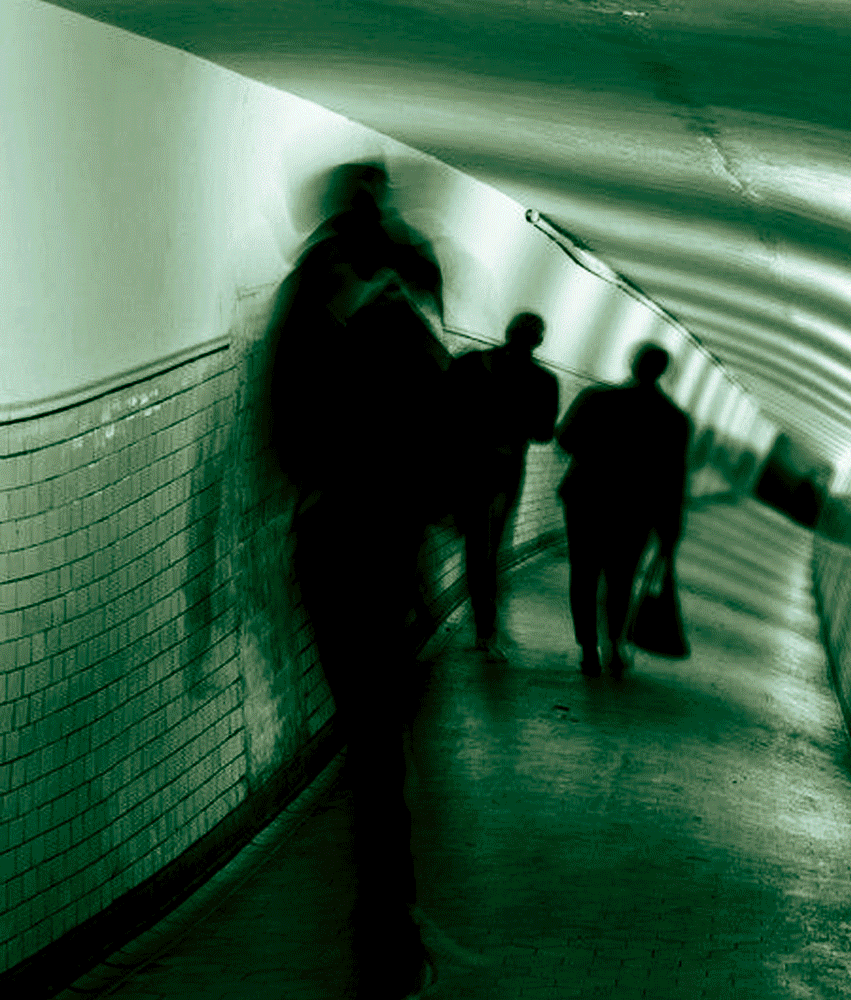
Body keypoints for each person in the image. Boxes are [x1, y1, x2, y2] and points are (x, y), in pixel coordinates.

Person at [269, 177, 450, 998]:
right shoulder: (402, 330)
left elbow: (283, 426)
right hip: (375, 547)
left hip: (328, 543)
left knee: (371, 738)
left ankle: (386, 929)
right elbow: (437, 441)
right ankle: (390, 933)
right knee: (378, 746)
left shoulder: (304, 304)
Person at [556, 344, 691, 678]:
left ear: (632, 363)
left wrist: (596, 454)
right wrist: (671, 530)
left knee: (583, 574)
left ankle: (588, 649)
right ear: (663, 372)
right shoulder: (674, 419)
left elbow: (565, 437)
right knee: (621, 579)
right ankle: (614, 646)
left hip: (586, 499)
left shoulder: (596, 398)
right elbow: (674, 479)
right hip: (637, 510)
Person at [449, 313, 559, 661]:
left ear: (508, 331)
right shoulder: (544, 381)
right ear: (539, 341)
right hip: (504, 470)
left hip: (463, 466)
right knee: (488, 548)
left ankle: (484, 622)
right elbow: (544, 433)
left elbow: (444, 407)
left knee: (475, 545)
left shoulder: (471, 363)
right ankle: (485, 628)